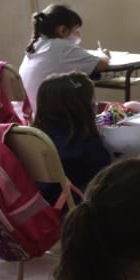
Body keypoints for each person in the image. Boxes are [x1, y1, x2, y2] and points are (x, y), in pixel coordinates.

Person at [32, 72, 111, 204]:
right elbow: (106, 175)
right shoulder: (85, 142)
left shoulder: (34, 134)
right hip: (75, 205)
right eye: (91, 101)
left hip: (42, 200)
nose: (94, 104)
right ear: (82, 107)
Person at [19, 4, 110, 118]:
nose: (78, 34)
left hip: (37, 118)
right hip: (59, 118)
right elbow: (102, 64)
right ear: (63, 30)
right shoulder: (61, 47)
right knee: (109, 107)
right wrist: (104, 54)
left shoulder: (36, 46)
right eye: (76, 30)